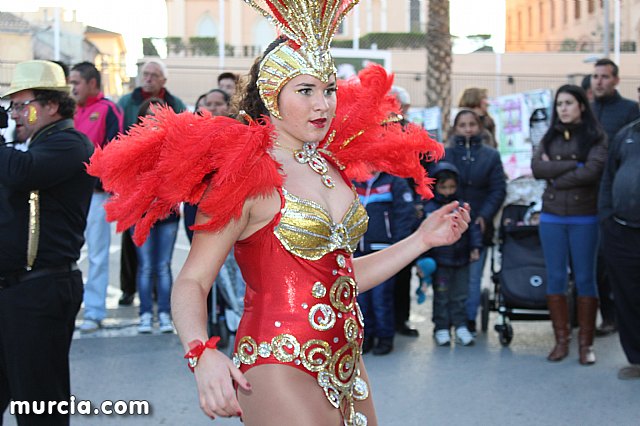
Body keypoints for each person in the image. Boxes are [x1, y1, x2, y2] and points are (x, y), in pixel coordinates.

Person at [87, 1, 470, 424]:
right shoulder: (247, 176)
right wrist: (201, 352)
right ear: (272, 95)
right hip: (277, 362)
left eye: (328, 90)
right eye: (305, 91)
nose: (322, 105)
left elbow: (341, 277)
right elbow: (193, 280)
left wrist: (421, 240)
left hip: (346, 364)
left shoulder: (331, 167)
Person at [0, 60, 95, 425]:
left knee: (38, 406)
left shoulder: (70, 143)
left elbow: (23, 174)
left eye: (22, 105)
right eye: (13, 107)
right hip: (15, 292)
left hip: (40, 291)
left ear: (52, 105)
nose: (16, 115)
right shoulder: (30, 146)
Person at [531, 84, 607, 365]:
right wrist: (574, 165)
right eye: (559, 104)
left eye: (569, 103)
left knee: (586, 278)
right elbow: (538, 168)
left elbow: (592, 171)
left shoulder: (596, 136)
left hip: (584, 216)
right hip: (551, 217)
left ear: (581, 106)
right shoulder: (548, 137)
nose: (563, 108)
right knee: (556, 279)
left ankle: (585, 345)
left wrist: (559, 174)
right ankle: (561, 341)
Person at [116, 59, 187, 306]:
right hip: (135, 191)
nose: (148, 78)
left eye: (154, 75)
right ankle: (128, 289)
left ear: (163, 80)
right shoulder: (126, 102)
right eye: (145, 74)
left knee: (160, 259)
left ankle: (159, 297)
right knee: (131, 245)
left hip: (164, 193)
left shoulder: (175, 103)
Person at [70, 61, 124, 333]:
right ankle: (75, 306)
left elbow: (117, 149)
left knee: (98, 255)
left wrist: (102, 184)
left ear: (92, 83)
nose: (72, 88)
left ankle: (94, 310)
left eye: (76, 82)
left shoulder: (108, 110)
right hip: (69, 196)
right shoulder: (71, 111)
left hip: (96, 196)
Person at [444, 109, 506, 336]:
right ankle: (446, 320)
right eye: (463, 125)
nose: (468, 129)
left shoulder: (490, 155)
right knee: (447, 274)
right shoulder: (446, 154)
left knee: (473, 277)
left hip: (479, 225)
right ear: (455, 128)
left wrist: (484, 216)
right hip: (450, 222)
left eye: (472, 124)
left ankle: (468, 319)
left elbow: (498, 189)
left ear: (479, 127)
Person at [590, 58, 640, 336]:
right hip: (597, 202)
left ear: (616, 80)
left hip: (624, 210)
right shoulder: (588, 111)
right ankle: (607, 316)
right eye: (595, 76)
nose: (599, 81)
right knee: (599, 264)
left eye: (604, 76)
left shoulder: (629, 112)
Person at [420, 162, 482, 347]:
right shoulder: (430, 208)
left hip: (462, 259)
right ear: (435, 186)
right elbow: (422, 234)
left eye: (452, 187)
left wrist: (475, 247)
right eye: (443, 187)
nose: (448, 191)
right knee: (441, 295)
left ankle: (461, 326)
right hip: (440, 262)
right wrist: (423, 260)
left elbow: (472, 229)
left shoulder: (462, 207)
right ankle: (441, 327)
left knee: (461, 295)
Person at [354, 172, 416, 355]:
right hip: (358, 250)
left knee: (381, 299)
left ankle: (385, 338)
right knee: (361, 299)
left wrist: (397, 248)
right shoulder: (354, 179)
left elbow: (405, 216)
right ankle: (367, 337)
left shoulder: (395, 181)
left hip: (384, 251)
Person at [133, 98, 180, 334]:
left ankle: (163, 314)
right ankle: (144, 315)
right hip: (141, 215)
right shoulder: (132, 146)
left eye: (158, 115)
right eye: (149, 115)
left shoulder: (175, 146)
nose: (153, 120)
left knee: (162, 266)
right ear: (141, 119)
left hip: (169, 215)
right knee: (146, 267)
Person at [599, 117, 640, 379]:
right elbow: (608, 178)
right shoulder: (625, 135)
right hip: (621, 232)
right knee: (627, 297)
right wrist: (606, 217)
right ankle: (636, 359)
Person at [388, 85, 421, 337]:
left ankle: (400, 320)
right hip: (378, 201)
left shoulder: (412, 132)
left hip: (406, 204)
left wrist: (420, 201)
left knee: (403, 267)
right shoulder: (371, 130)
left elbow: (425, 170)